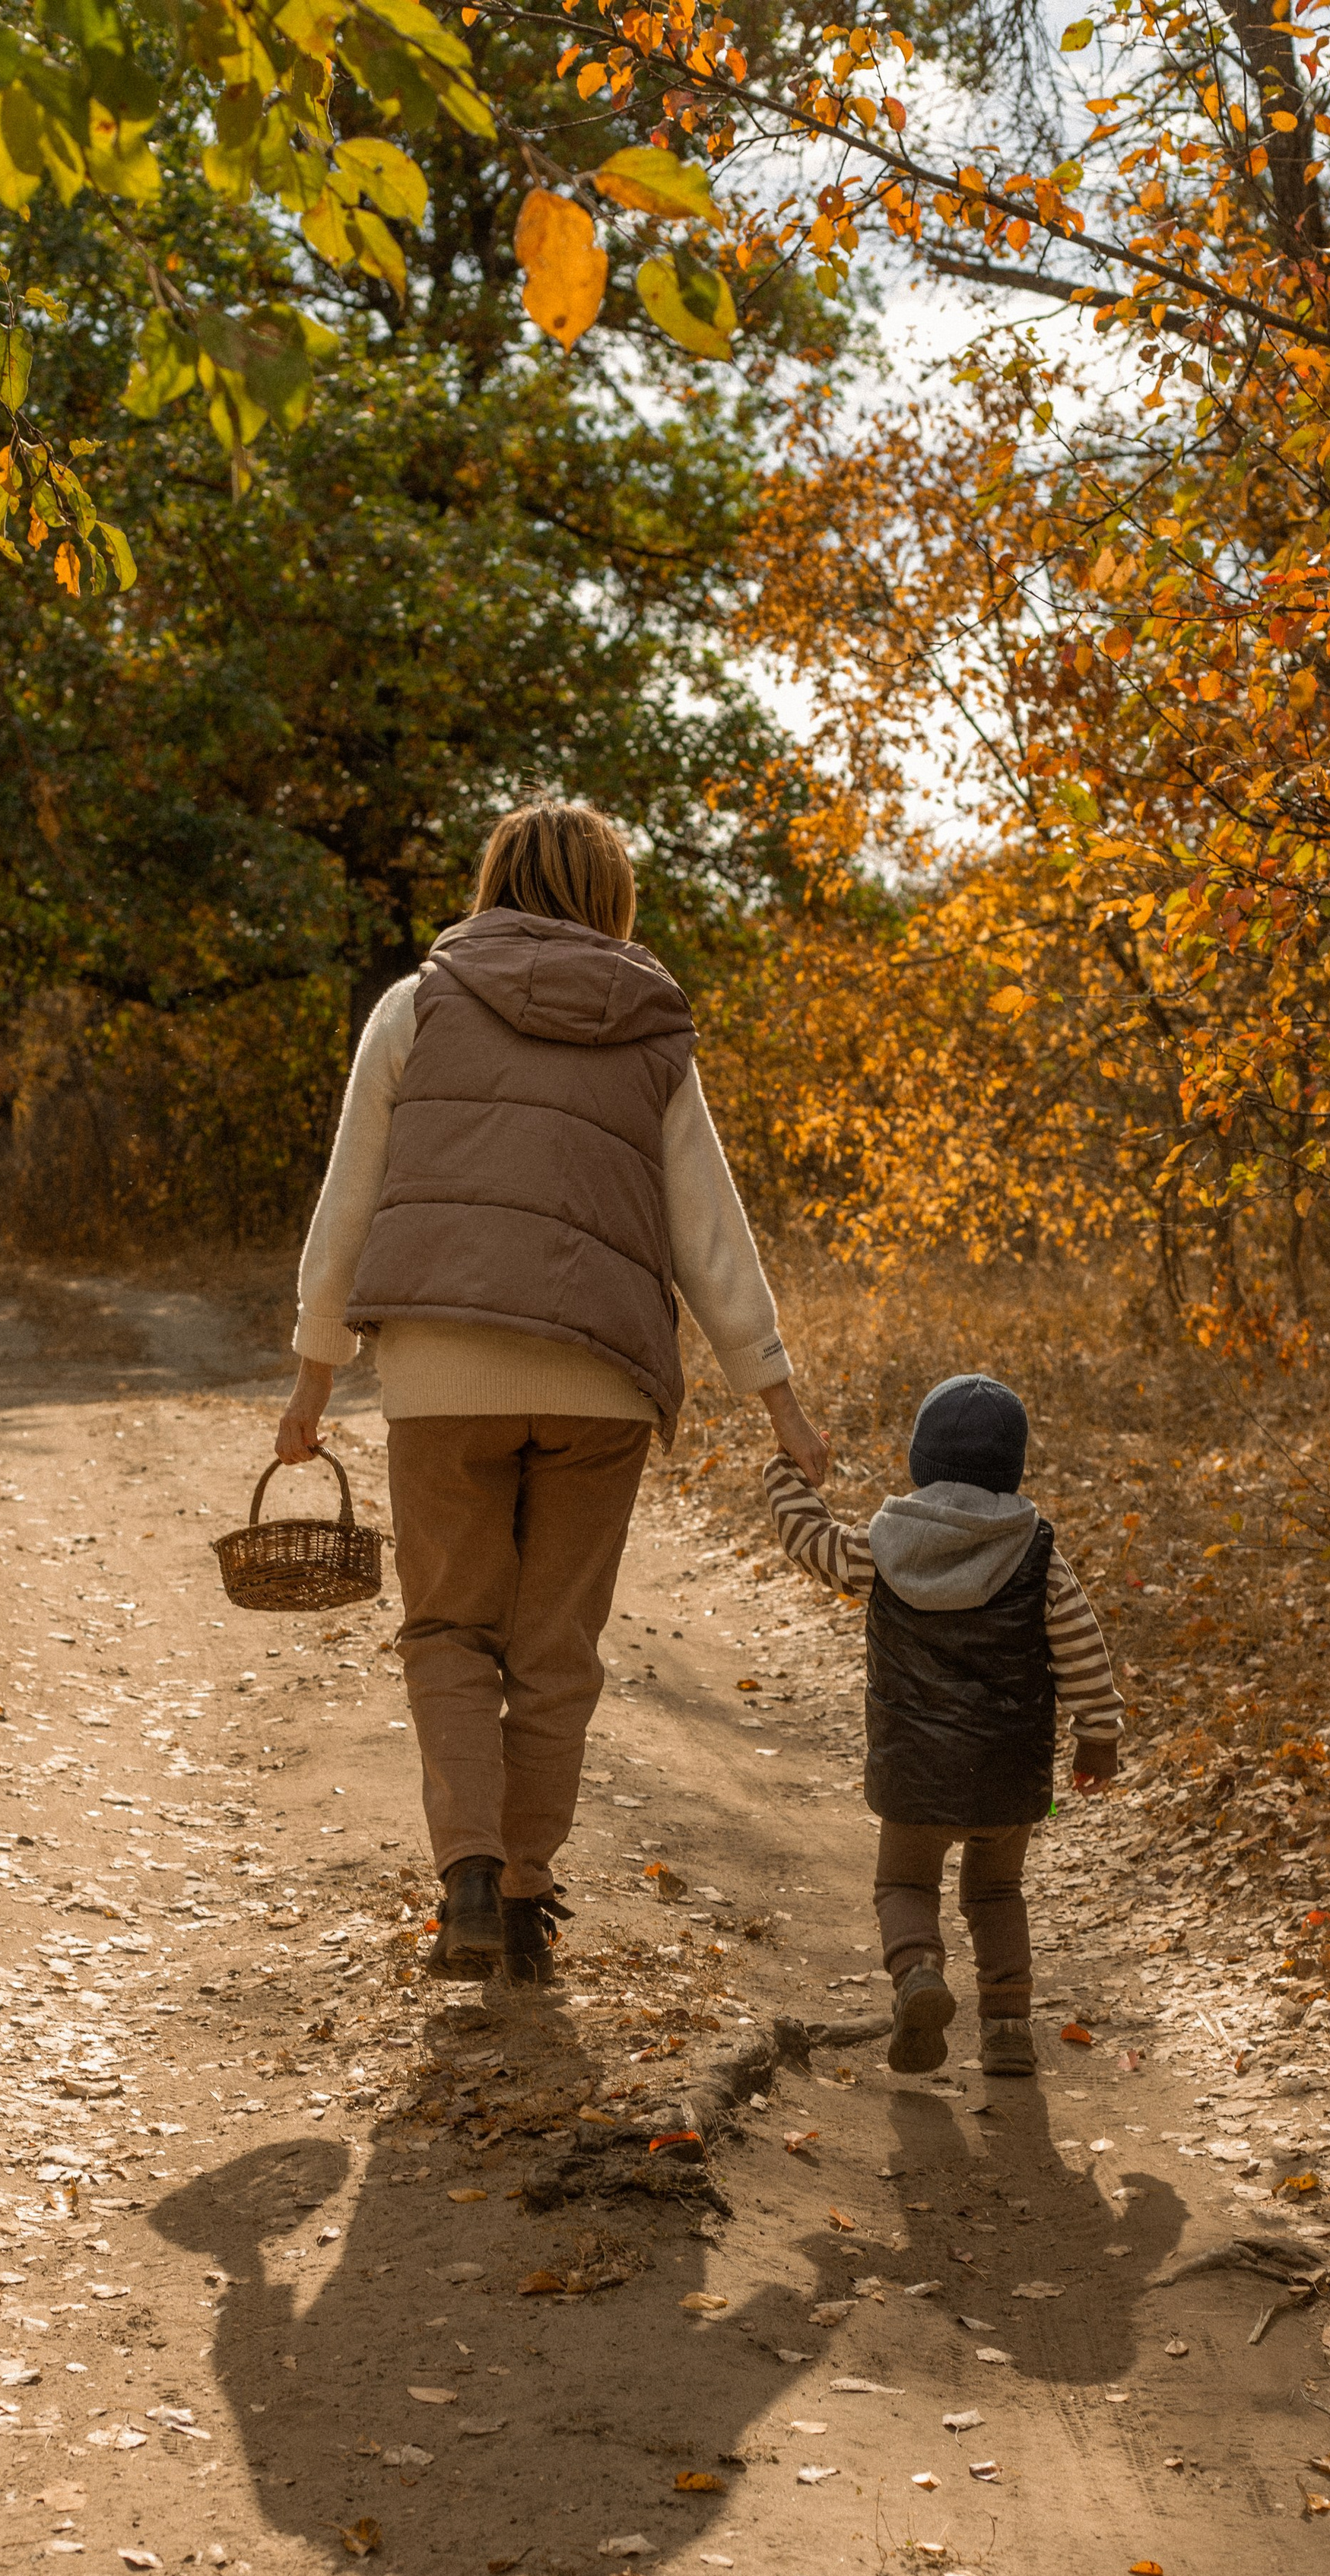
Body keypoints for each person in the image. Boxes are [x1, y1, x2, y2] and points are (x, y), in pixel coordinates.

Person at [278, 799, 826, 1987]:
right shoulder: (650, 1026)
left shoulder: (416, 1006)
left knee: (448, 1629)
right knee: (555, 1646)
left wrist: (314, 1376)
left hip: (440, 1369)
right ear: (611, 892)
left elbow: (351, 1200)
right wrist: (777, 1397)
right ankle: (529, 1901)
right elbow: (707, 1229)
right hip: (602, 1379)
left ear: (494, 878)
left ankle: (471, 1880)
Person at [762, 1371, 1123, 2076]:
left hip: (912, 1770)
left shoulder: (883, 1548)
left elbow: (810, 1542)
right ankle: (1009, 2029)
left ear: (919, 1463)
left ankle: (920, 1974)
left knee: (903, 1886)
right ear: (1013, 1468)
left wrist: (786, 1473)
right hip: (1010, 1776)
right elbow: (1084, 1650)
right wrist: (1098, 1737)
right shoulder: (1040, 1558)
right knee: (995, 1892)